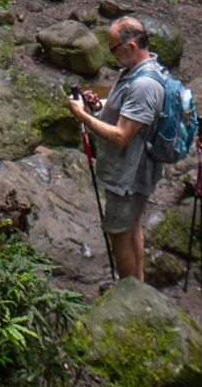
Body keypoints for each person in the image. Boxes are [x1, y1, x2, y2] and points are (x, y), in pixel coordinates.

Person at [69, 15, 166, 280]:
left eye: (114, 49)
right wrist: (98, 106)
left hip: (129, 175)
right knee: (132, 226)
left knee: (120, 235)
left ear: (132, 47)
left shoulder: (144, 85)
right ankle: (138, 287)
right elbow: (127, 115)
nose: (112, 55)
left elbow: (122, 135)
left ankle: (127, 293)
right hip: (133, 171)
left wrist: (83, 117)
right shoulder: (139, 71)